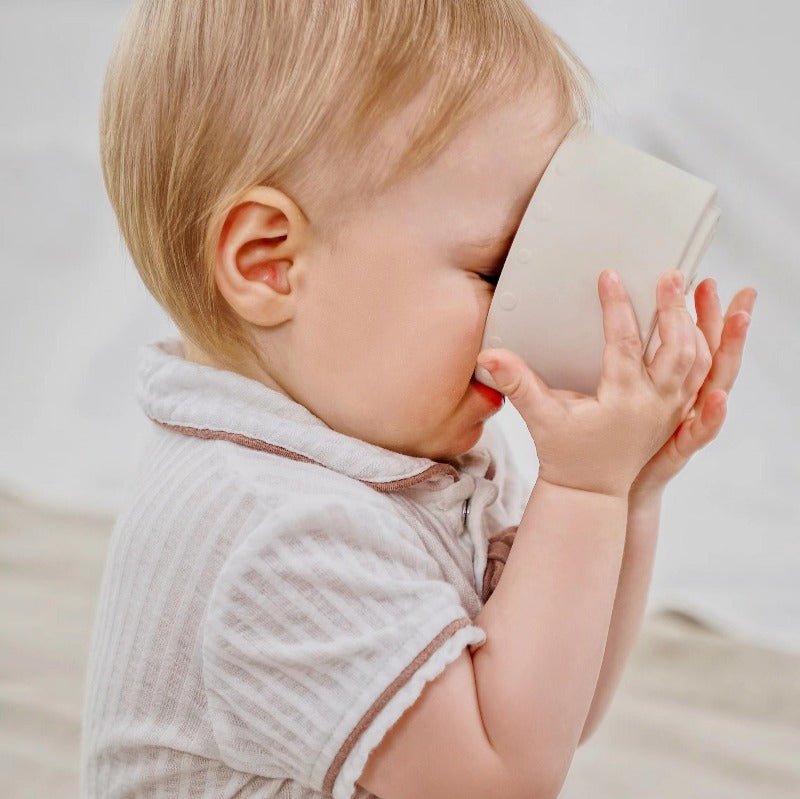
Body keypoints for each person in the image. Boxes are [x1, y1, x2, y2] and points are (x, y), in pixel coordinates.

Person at [80, 2, 757, 798]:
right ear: (271, 263)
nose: (521, 310)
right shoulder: (271, 533)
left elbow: (552, 714)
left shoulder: (394, 448)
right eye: (492, 270)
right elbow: (500, 777)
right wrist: (583, 488)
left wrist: (629, 492)